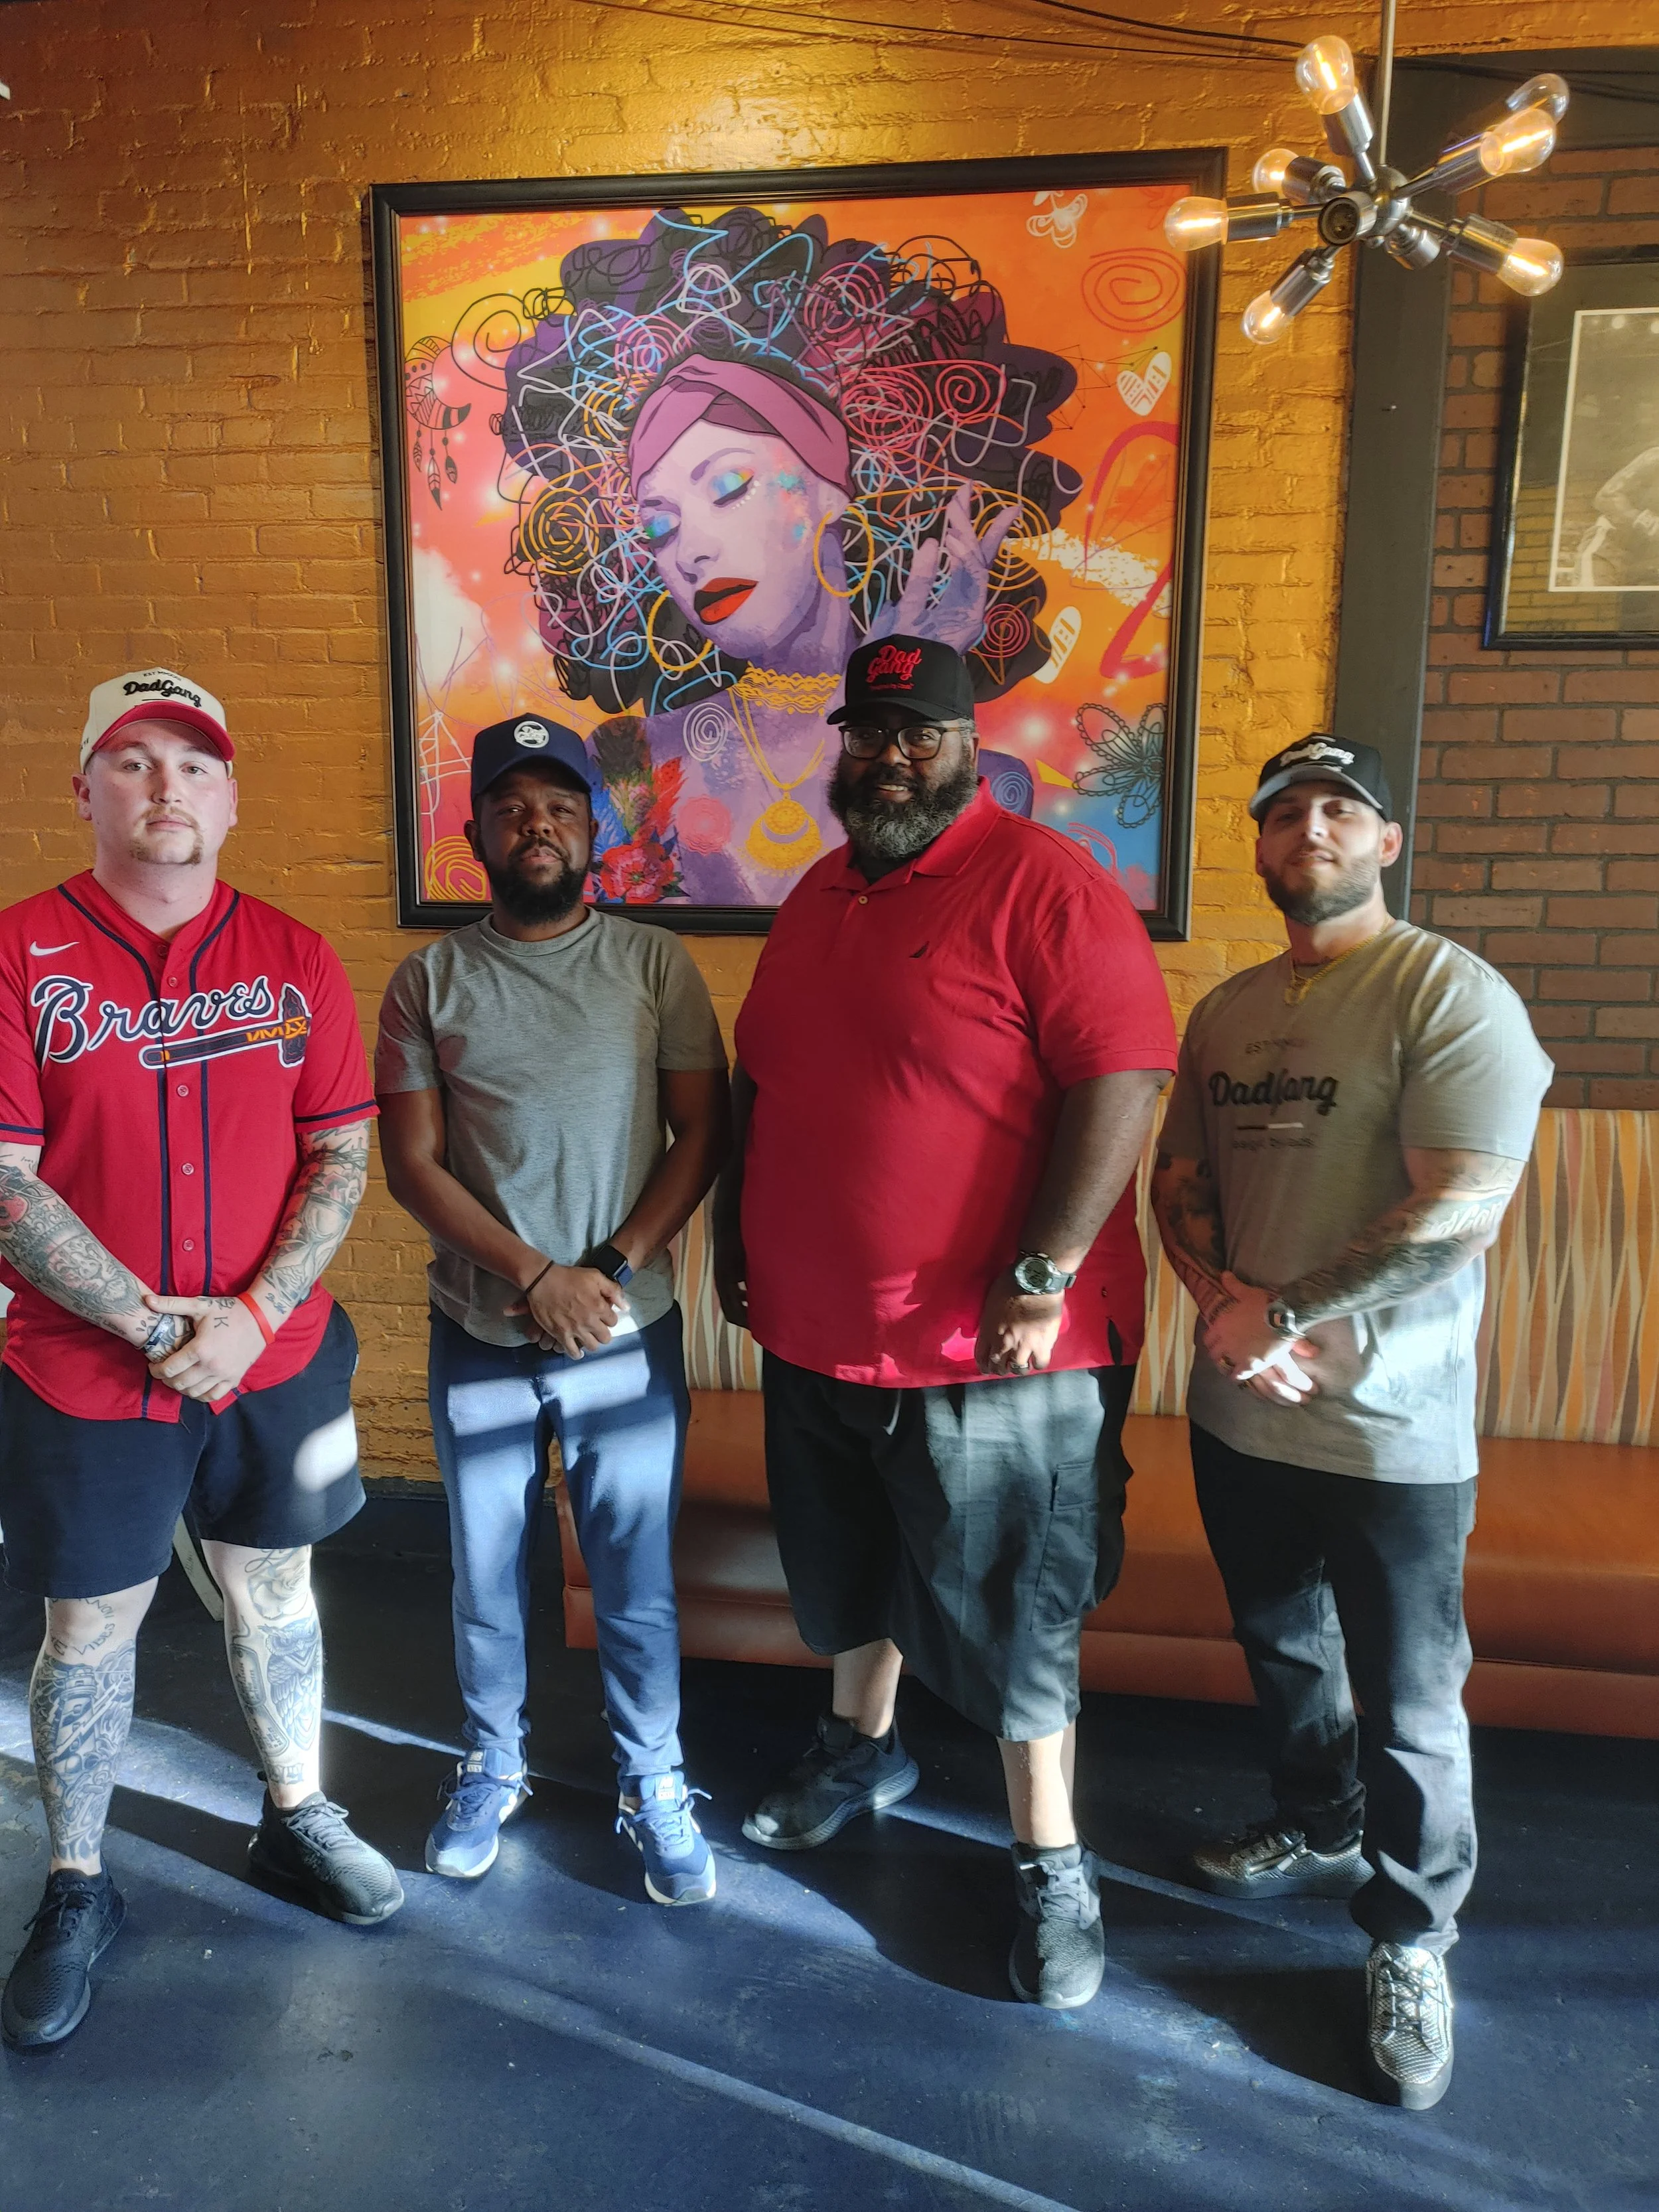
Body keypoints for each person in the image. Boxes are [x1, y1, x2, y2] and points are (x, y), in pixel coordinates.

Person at [714, 635, 1177, 2010]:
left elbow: (1124, 1079)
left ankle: (1051, 1857)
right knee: (850, 1568)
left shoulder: (1046, 884)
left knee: (1017, 1609)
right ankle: (862, 1748)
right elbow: (763, 1084)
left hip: (994, 1349)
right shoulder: (816, 894)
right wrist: (738, 1236)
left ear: (971, 746)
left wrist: (1044, 1271)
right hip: (818, 1329)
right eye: (869, 732)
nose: (890, 756)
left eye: (919, 732)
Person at [0, 668, 400, 2053]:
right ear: (86, 790)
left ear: (230, 798)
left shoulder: (295, 958)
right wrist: (159, 1326)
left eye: (193, 763)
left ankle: (297, 1812)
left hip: (274, 1359)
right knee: (87, 1627)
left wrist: (250, 1313)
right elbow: (3, 1182)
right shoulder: (20, 953)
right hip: (83, 1367)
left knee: (274, 1589)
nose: (165, 786)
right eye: (133, 759)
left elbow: (340, 1153)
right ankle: (77, 1881)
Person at [1151, 734, 1552, 2110]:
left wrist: (1281, 1309)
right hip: (1238, 1407)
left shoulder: (1447, 990)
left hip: (1392, 1425)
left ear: (1385, 840)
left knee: (1413, 1695)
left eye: (1339, 808)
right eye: (1284, 813)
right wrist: (1223, 1309)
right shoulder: (1226, 1010)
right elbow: (1181, 1181)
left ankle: (1411, 1936)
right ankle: (1317, 1822)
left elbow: (1461, 1203)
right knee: (1280, 1643)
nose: (1308, 828)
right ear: (1259, 847)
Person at [375, 713, 730, 1904]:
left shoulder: (654, 964)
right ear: (477, 831)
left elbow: (703, 1133)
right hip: (480, 1329)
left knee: (633, 1575)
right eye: (513, 808)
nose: (538, 826)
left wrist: (608, 1269)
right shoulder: (428, 979)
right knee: (485, 1571)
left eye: (561, 807)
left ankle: (654, 1778)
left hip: (625, 1332)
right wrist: (537, 1278)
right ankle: (492, 1763)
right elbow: (413, 1165)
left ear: (595, 827)